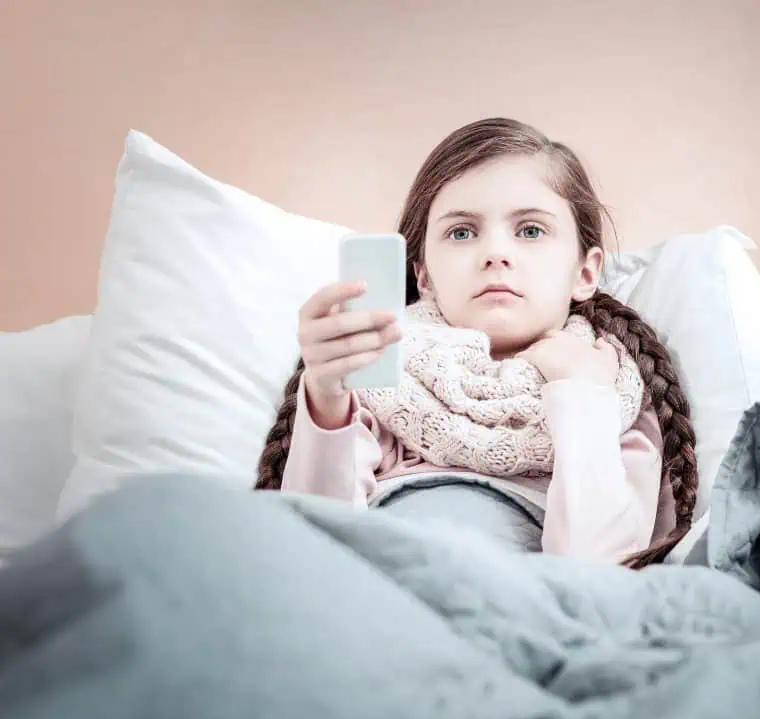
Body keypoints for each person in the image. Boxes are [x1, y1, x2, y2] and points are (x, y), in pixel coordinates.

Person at [253, 118, 698, 568]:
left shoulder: (614, 395)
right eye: (462, 233)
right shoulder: (381, 379)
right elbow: (312, 555)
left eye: (530, 231)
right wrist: (327, 398)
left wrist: (583, 394)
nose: (495, 253)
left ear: (586, 272)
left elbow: (597, 578)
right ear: (424, 276)